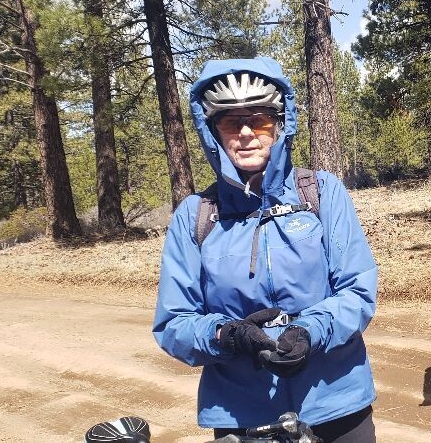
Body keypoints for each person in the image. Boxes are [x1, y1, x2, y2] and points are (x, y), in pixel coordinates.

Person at [153, 57, 378, 442]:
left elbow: (357, 291)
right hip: (241, 411)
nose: (245, 133)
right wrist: (227, 335)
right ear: (213, 132)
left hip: (335, 401)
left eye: (258, 120)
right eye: (230, 122)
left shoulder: (321, 193)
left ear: (279, 124)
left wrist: (309, 331)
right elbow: (174, 322)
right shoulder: (196, 214)